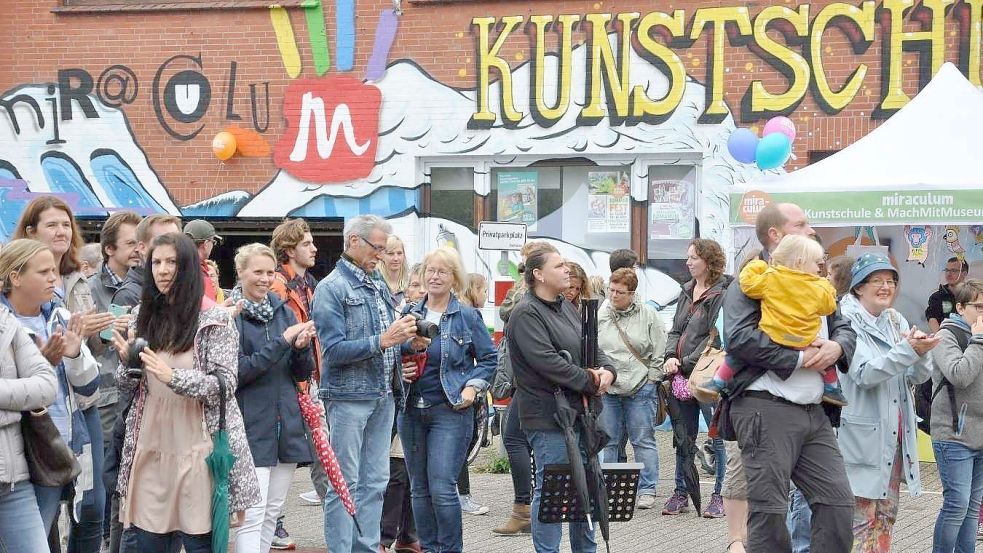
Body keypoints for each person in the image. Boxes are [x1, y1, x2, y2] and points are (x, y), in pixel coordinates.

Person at [111, 233, 260, 551]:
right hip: (150, 445)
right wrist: (128, 365)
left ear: (189, 268)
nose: (162, 270)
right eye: (156, 262)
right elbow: (127, 387)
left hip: (197, 448)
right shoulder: (142, 314)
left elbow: (225, 385)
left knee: (198, 542)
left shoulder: (214, 318)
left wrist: (173, 377)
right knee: (148, 540)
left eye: (172, 262)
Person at [723, 202, 857, 553]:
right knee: (769, 513)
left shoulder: (816, 280)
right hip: (765, 408)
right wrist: (800, 358)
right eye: (802, 224)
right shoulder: (753, 280)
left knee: (839, 506)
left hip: (815, 412)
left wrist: (837, 348)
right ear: (775, 235)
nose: (812, 230)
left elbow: (843, 326)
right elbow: (737, 339)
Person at [311, 214, 419, 553]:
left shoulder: (376, 283)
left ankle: (368, 547)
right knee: (344, 482)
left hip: (384, 394)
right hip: (348, 397)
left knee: (376, 482)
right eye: (378, 248)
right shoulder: (332, 288)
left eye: (386, 250)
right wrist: (383, 341)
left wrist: (409, 342)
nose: (383, 256)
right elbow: (332, 350)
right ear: (353, 242)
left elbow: (387, 340)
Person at [14, 196, 113, 553]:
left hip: (77, 408)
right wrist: (43, 363)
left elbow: (90, 368)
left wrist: (84, 340)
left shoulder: (75, 282)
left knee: (90, 506)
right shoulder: (10, 313)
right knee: (38, 519)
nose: (61, 231)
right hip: (33, 421)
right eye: (51, 224)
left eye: (65, 224)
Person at [507, 244, 617, 553]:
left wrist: (608, 371)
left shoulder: (565, 306)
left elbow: (590, 348)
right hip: (548, 417)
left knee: (588, 487)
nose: (567, 269)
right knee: (554, 489)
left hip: (582, 414)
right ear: (538, 274)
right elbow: (547, 362)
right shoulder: (526, 313)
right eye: (559, 266)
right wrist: (591, 381)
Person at [0, 239, 100, 548]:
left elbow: (83, 386)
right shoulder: (8, 321)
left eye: (53, 271)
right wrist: (41, 367)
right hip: (20, 451)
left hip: (55, 443)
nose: (52, 279)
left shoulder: (59, 316)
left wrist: (73, 357)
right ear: (15, 277)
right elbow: (37, 385)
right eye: (43, 272)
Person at [838, 252, 939, 551]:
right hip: (859, 439)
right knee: (860, 523)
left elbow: (915, 376)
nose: (886, 287)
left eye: (891, 281)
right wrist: (909, 350)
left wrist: (922, 352)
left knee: (885, 519)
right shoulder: (845, 322)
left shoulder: (894, 320)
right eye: (877, 281)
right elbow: (865, 373)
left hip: (892, 439)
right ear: (858, 286)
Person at [399, 247, 497, 553]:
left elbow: (488, 359)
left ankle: (450, 549)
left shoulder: (466, 316)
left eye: (442, 271)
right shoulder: (408, 314)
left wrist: (472, 387)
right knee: (419, 488)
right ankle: (428, 548)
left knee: (442, 487)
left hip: (450, 411)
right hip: (410, 410)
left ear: (454, 278)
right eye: (430, 270)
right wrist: (399, 368)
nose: (435, 276)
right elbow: (391, 353)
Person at [230, 243, 316, 553]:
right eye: (257, 272)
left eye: (269, 272)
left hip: (286, 427)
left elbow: (301, 373)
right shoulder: (231, 316)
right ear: (240, 273)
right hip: (250, 428)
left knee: (271, 512)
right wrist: (283, 342)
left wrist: (302, 347)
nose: (265, 279)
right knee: (251, 515)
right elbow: (240, 372)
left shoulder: (284, 311)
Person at [105, 213, 181, 553]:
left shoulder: (184, 297)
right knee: (129, 518)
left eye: (177, 243)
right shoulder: (129, 297)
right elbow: (114, 356)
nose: (170, 254)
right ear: (143, 248)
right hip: (133, 420)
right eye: (161, 244)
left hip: (176, 427)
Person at [696, 235, 846, 406]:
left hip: (774, 335)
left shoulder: (770, 278)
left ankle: (718, 381)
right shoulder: (818, 287)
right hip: (804, 339)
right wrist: (828, 289)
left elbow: (748, 285)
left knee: (736, 358)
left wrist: (756, 265)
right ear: (799, 262)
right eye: (816, 263)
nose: (819, 268)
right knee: (824, 360)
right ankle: (832, 388)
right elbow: (828, 307)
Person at [0, 250, 63, 552]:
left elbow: (46, 386)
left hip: (14, 480)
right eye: (43, 271)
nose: (53, 278)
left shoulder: (5, 323)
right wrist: (13, 407)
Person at [662, 238, 729, 518]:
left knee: (718, 437)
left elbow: (715, 336)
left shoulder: (723, 292)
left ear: (709, 262)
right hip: (681, 375)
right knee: (683, 435)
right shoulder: (686, 290)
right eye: (687, 257)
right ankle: (682, 491)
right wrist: (669, 356)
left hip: (707, 375)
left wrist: (685, 363)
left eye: (693, 258)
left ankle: (720, 495)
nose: (688, 263)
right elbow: (676, 330)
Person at [491, 243, 552, 536]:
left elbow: (507, 312)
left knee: (515, 438)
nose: (521, 267)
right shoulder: (552, 299)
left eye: (525, 262)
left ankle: (526, 508)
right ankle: (531, 508)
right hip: (535, 381)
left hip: (532, 382)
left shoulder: (530, 297)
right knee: (524, 440)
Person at [269, 218, 322, 548]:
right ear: (289, 250)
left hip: (307, 381)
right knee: (281, 456)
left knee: (319, 453)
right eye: (306, 243)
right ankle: (273, 522)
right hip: (288, 384)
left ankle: (342, 521)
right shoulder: (278, 287)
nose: (314, 247)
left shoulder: (309, 284)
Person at [90, 211, 141, 549]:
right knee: (108, 482)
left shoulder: (145, 282)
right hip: (103, 397)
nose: (139, 249)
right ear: (109, 249)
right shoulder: (93, 288)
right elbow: (99, 342)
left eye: (141, 242)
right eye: (131, 243)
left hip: (132, 392)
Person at [597, 268, 666, 508]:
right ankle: (609, 487)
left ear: (632, 294)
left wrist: (652, 379)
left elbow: (659, 348)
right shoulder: (602, 313)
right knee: (609, 440)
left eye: (620, 292)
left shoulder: (648, 315)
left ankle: (647, 488)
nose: (614, 295)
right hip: (609, 387)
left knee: (642, 439)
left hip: (640, 385)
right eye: (611, 290)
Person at [930, 278, 983, 553]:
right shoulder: (946, 335)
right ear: (961, 308)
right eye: (979, 307)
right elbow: (959, 375)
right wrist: (978, 340)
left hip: (980, 436)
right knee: (956, 505)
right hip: (953, 434)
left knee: (972, 509)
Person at [381, 261, 426, 553]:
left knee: (414, 474)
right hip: (399, 401)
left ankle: (408, 535)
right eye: (415, 285)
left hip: (428, 401)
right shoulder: (398, 317)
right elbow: (388, 351)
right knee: (396, 472)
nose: (420, 291)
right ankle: (383, 536)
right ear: (405, 287)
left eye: (424, 286)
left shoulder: (441, 316)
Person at [457, 271, 492, 516]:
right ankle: (461, 495)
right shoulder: (470, 316)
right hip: (464, 391)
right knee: (463, 442)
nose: (486, 296)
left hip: (468, 388)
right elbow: (487, 356)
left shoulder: (463, 314)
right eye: (484, 290)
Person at [183, 219, 223, 303]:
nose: (213, 246)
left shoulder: (177, 266)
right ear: (206, 244)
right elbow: (207, 312)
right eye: (213, 242)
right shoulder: (200, 272)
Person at [927, 257, 970, 334]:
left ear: (964, 274)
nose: (949, 274)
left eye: (954, 271)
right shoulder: (937, 297)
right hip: (946, 339)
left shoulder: (973, 295)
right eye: (947, 270)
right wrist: (942, 340)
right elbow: (932, 318)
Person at [380, 235, 410, 306]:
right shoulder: (376, 283)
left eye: (399, 253)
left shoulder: (411, 282)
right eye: (391, 254)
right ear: (382, 256)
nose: (396, 258)